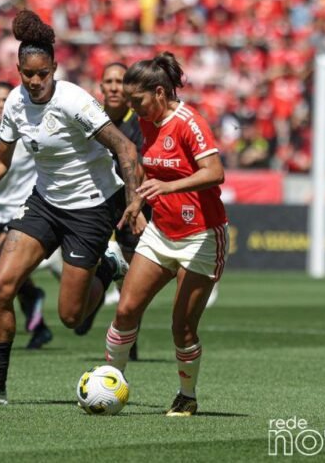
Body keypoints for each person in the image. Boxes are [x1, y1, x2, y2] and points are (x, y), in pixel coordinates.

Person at [0, 10, 143, 406]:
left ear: (54, 68)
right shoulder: (15, 104)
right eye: (27, 74)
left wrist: (134, 205)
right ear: (18, 69)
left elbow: (125, 148)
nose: (35, 81)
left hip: (92, 207)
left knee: (73, 318)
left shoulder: (74, 100)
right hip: (44, 203)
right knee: (1, 286)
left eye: (42, 73)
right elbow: (2, 161)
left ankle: (108, 265)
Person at [103, 52, 229, 416]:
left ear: (160, 92)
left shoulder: (190, 122)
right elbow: (149, 167)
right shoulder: (147, 122)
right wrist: (136, 201)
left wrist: (167, 189)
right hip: (161, 231)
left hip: (202, 236)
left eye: (137, 101)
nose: (133, 109)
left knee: (182, 328)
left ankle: (187, 396)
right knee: (126, 310)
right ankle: (110, 383)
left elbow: (215, 172)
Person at [72, 62, 147, 362]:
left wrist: (137, 202)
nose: (115, 87)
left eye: (120, 81)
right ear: (100, 87)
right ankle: (91, 301)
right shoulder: (90, 119)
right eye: (109, 81)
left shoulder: (140, 124)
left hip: (131, 206)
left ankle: (128, 341)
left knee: (130, 279)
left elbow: (143, 170)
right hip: (94, 204)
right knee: (89, 271)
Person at [0, 81, 58, 350]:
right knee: (7, 275)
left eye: (4, 99)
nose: (0, 105)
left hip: (25, 209)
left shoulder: (27, 123)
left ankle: (34, 304)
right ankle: (39, 325)